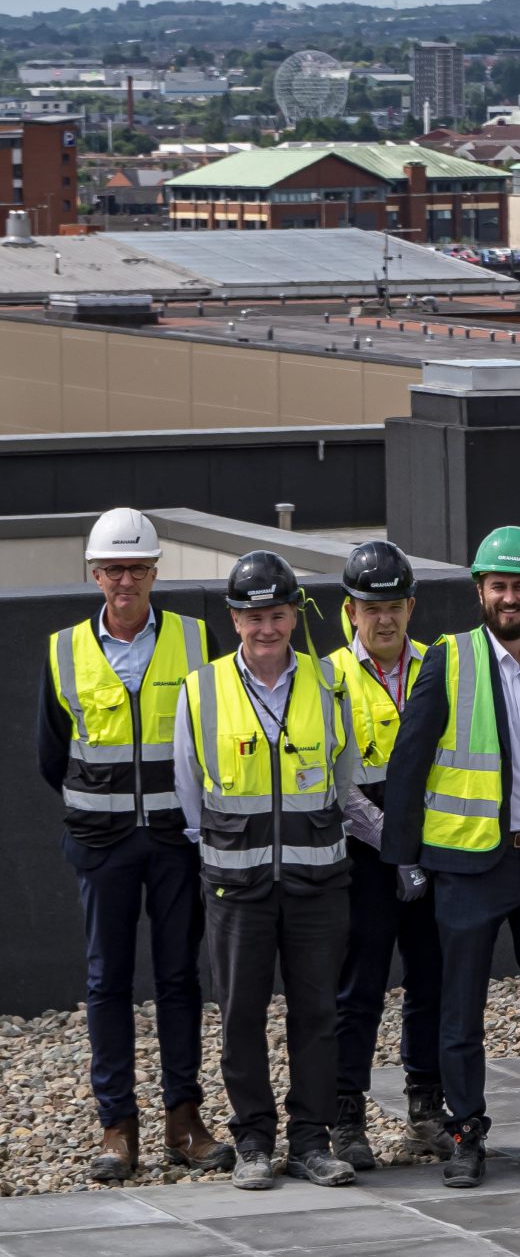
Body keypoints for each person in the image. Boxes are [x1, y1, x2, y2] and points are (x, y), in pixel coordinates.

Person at [380, 526, 520, 1190]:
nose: (511, 597)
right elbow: (408, 764)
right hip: (468, 865)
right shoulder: (449, 660)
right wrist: (404, 858)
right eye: (499, 585)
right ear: (480, 590)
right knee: (461, 1011)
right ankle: (465, 1134)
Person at [41, 508, 228, 1182]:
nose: (126, 579)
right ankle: (117, 1127)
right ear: (96, 573)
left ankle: (184, 1119)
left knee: (180, 979)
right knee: (106, 982)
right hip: (104, 847)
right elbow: (50, 754)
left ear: (155, 571)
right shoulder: (64, 649)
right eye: (114, 568)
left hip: (176, 842)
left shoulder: (194, 638)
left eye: (137, 567)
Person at [172, 551, 358, 1191]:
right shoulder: (200, 689)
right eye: (254, 618)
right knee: (241, 1016)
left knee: (317, 1015)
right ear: (234, 619)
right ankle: (253, 1141)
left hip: (318, 885)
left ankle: (311, 1141)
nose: (267, 629)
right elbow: (190, 793)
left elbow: (346, 781)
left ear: (293, 616)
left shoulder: (329, 682)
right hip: (237, 888)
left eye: (278, 615)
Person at [329, 540, 449, 1172]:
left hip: (433, 849)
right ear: (350, 611)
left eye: (395, 604)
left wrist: (423, 850)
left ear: (411, 604)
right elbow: (339, 784)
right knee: (360, 987)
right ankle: (346, 1115)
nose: (385, 618)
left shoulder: (441, 664)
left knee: (431, 980)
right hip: (365, 856)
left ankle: (426, 1109)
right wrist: (396, 848)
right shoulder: (329, 676)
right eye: (370, 606)